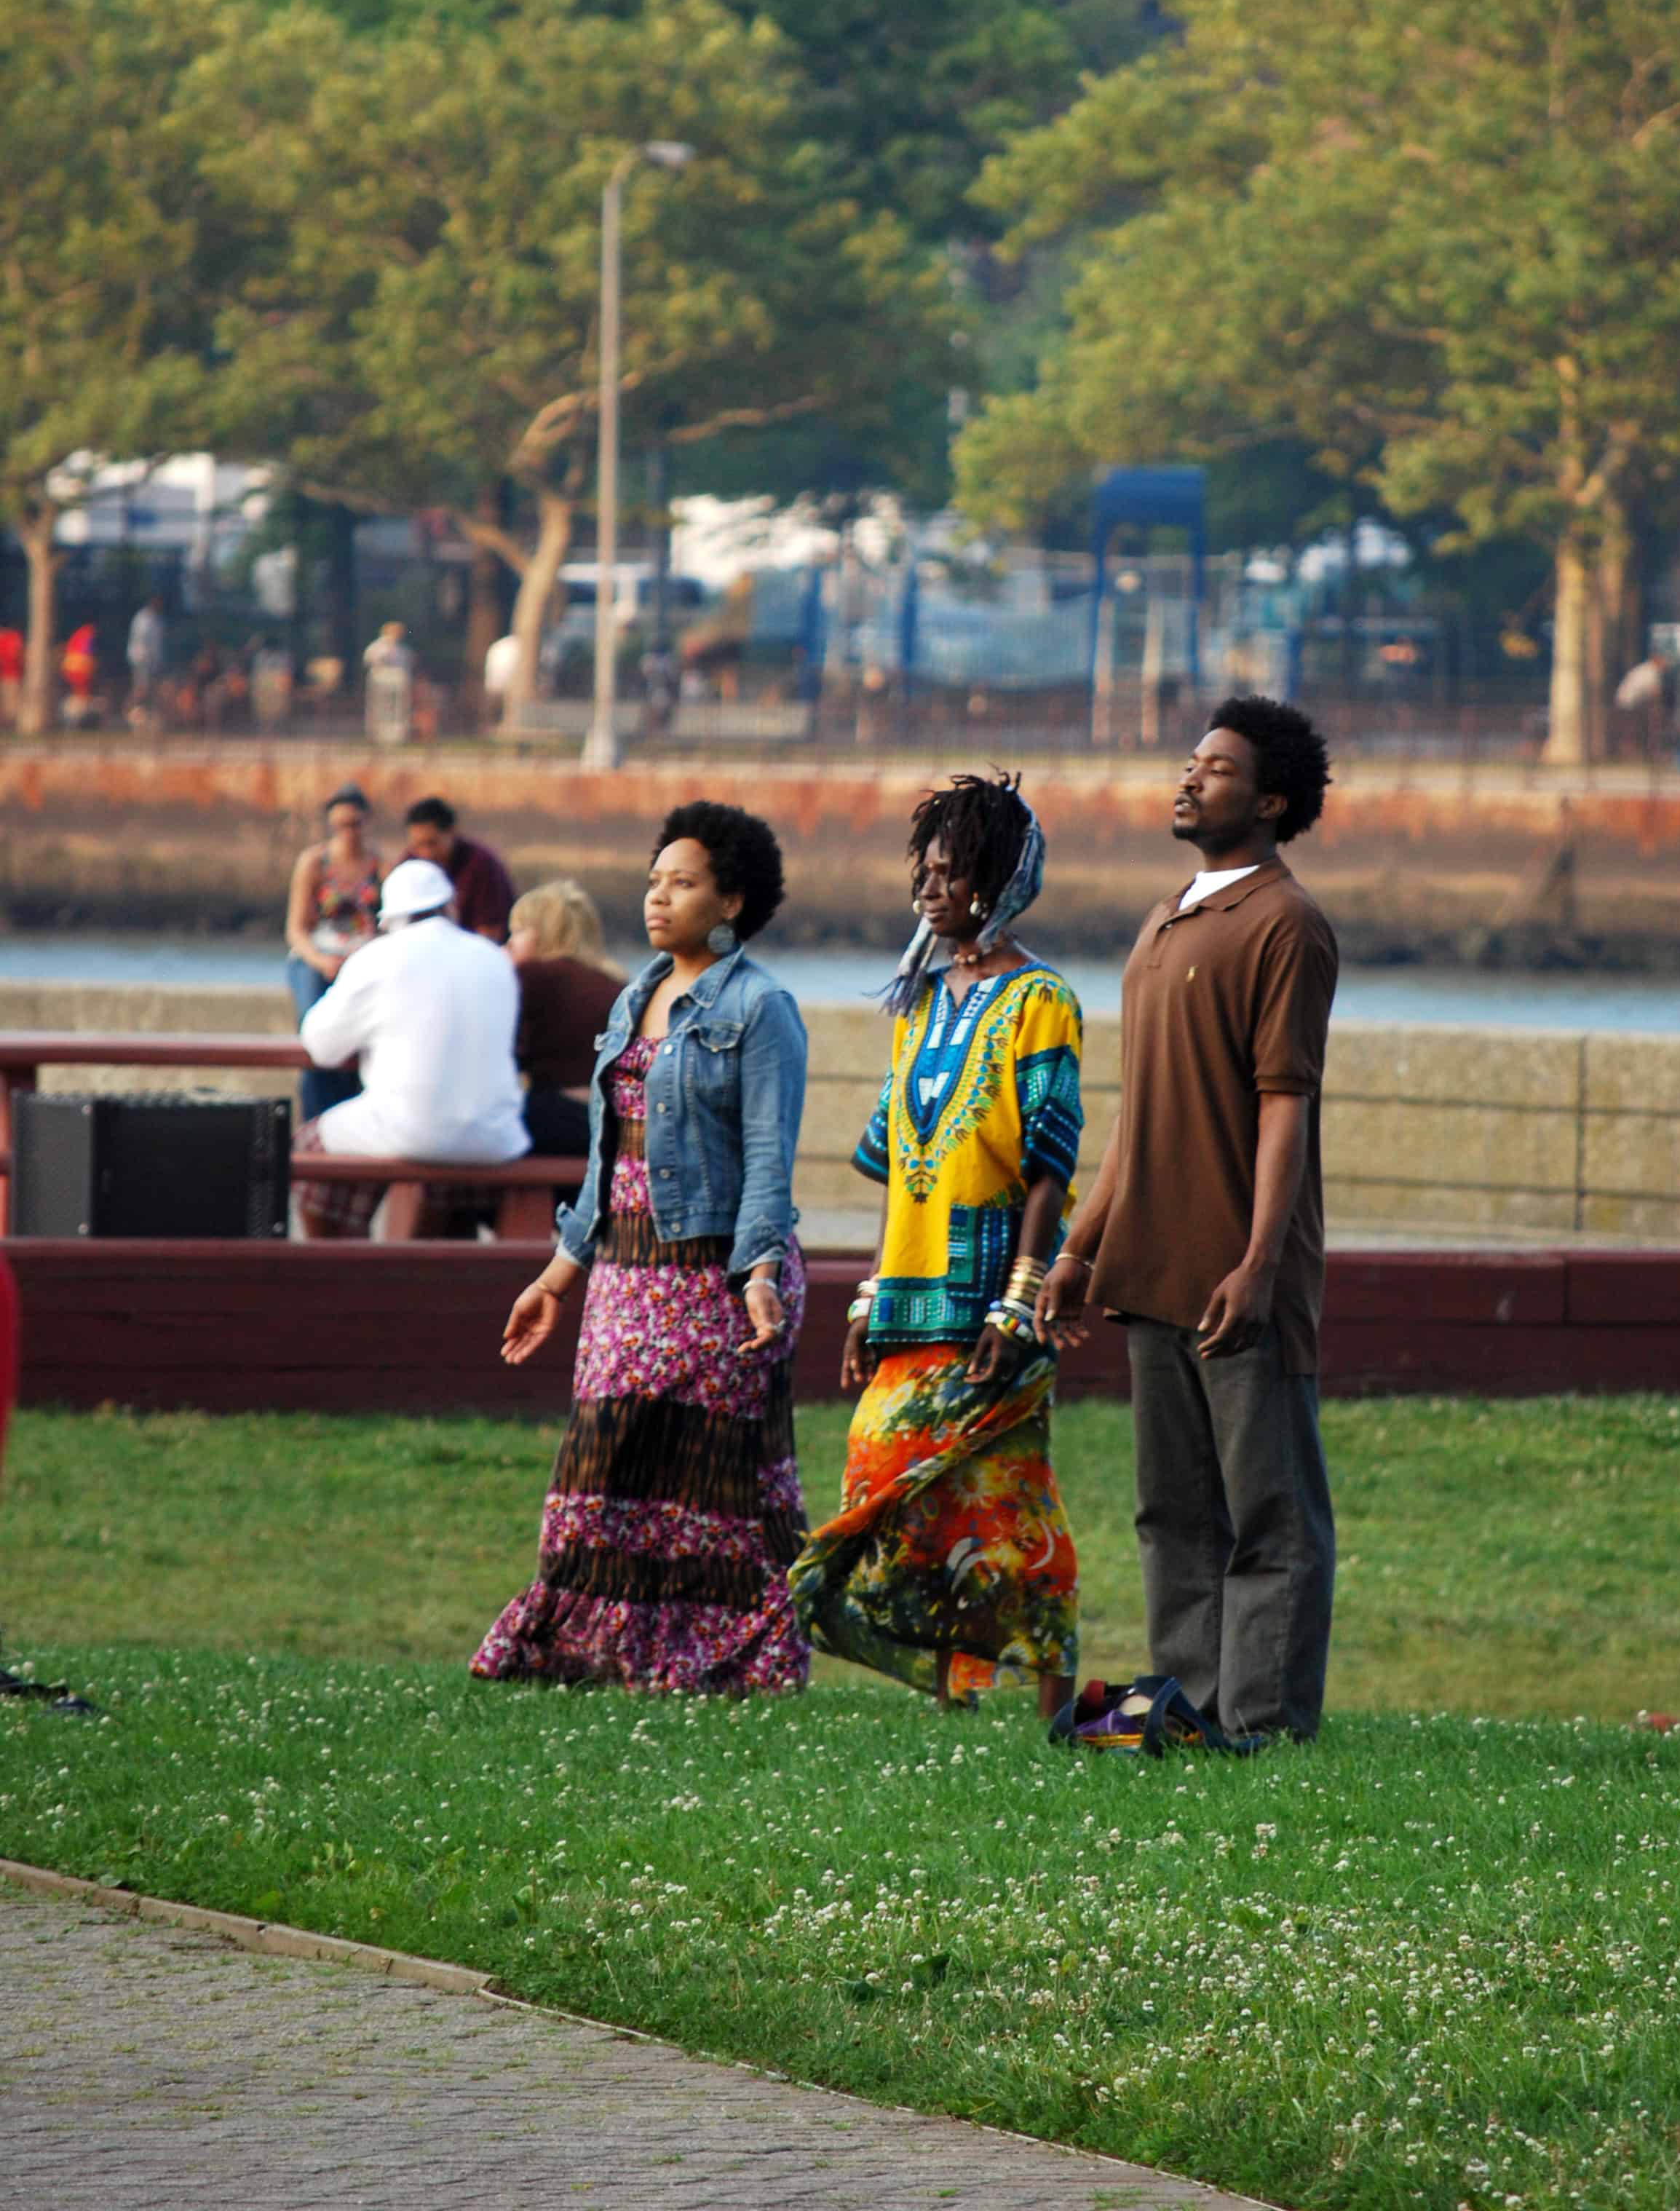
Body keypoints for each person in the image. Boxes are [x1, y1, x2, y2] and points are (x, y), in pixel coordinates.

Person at [1037, 696, 1339, 1747]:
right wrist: (1081, 1247)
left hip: (1235, 1277)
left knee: (1270, 1514)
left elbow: (1285, 1101)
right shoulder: (1166, 917)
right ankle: (1188, 1712)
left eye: (1216, 768)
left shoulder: (1287, 923)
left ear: (1270, 801)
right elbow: (1140, 1111)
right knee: (1171, 1514)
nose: (1189, 776)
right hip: (1150, 1269)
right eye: (1191, 761)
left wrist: (1258, 1263)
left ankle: (1264, 1722)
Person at [472, 801, 810, 1695]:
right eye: (655, 879)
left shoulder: (763, 1007)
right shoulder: (631, 998)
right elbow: (605, 1156)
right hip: (624, 1272)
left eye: (683, 882)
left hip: (717, 1275)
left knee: (712, 1477)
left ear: (731, 900)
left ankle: (731, 1657)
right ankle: (592, 1649)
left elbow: (770, 1156)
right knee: (601, 1458)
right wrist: (557, 1275)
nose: (658, 897)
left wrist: (761, 1273)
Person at [789, 774, 1082, 1717]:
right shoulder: (917, 1000)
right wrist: (871, 1294)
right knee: (890, 1472)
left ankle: (1061, 1707)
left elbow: (1049, 1164)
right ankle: (955, 1696)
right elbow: (900, 1167)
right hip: (913, 1296)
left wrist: (1019, 1301)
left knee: (1009, 1503)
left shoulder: (1042, 1000)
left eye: (949, 872)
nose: (927, 887)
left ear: (997, 883)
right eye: (922, 869)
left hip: (994, 1299)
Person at [296, 857, 529, 1238]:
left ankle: (339, 1262)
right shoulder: (492, 958)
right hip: (494, 1136)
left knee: (307, 1147)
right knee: (444, 1183)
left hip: (409, 1128)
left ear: (389, 919)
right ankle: (432, 1268)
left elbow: (321, 1046)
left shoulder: (376, 957)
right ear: (450, 907)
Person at [284, 786, 383, 1120]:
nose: (348, 833)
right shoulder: (314, 862)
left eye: (355, 824)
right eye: (340, 825)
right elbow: (296, 930)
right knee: (317, 1033)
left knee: (365, 1035)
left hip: (365, 957)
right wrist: (321, 961)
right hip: (319, 957)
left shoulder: (381, 865)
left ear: (367, 821)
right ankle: (315, 1117)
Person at [507, 879, 624, 1158]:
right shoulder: (617, 983)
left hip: (554, 1118)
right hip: (609, 1121)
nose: (510, 942)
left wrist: (496, 970)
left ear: (544, 934)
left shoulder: (531, 977)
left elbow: (505, 1057)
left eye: (518, 931)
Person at [399, 796, 514, 940]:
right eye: (418, 845)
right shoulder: (408, 865)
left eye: (432, 843)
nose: (425, 853)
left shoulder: (482, 866)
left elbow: (490, 934)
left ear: (452, 832)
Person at [362, 619, 413, 745]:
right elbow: (369, 660)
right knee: (379, 707)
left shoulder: (402, 649)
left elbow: (407, 663)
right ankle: (376, 735)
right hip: (381, 679)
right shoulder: (376, 647)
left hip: (398, 681)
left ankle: (397, 736)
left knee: (397, 709)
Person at [1614, 649, 1667, 766]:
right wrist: (1658, 709)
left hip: (1628, 702)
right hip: (1628, 703)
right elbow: (1655, 693)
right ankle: (1631, 755)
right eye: (1663, 662)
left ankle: (1633, 754)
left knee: (1633, 729)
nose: (1665, 665)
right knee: (1632, 730)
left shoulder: (1645, 669)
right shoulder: (1651, 671)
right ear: (1657, 660)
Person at [125, 596, 166, 727]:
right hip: (142, 660)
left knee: (149, 690)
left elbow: (157, 644)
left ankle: (145, 717)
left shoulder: (157, 620)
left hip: (152, 662)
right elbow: (141, 641)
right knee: (141, 688)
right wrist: (145, 659)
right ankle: (128, 712)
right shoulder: (142, 619)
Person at [0, 625, 22, 729]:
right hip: (4, 677)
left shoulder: (12, 637)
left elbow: (15, 655)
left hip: (12, 677)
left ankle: (11, 725)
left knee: (12, 703)